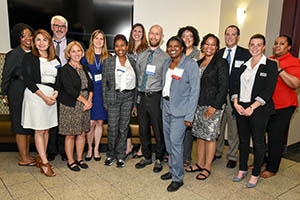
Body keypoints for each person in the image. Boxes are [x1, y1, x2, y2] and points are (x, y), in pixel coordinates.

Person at [231, 34, 277, 188]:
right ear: (249, 45)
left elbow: (268, 91)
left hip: (259, 109)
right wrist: (236, 103)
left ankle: (255, 172)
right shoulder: (243, 65)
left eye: (259, 45)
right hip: (241, 107)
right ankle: (242, 169)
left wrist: (252, 107)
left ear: (264, 47)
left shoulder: (270, 65)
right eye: (252, 44)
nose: (255, 48)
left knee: (258, 142)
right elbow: (235, 85)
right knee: (243, 140)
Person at [186, 34, 229, 181]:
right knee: (199, 135)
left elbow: (224, 87)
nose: (209, 47)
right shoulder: (198, 63)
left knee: (210, 137)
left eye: (213, 45)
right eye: (207, 44)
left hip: (213, 106)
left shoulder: (221, 62)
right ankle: (199, 163)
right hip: (198, 105)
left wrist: (214, 106)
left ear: (217, 48)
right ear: (202, 45)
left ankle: (207, 167)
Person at [160, 36, 200, 192]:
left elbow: (195, 91)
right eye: (170, 46)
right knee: (169, 144)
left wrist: (189, 116)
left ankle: (178, 178)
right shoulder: (166, 64)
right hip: (166, 107)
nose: (172, 48)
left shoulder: (190, 65)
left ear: (182, 48)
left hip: (181, 111)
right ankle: (172, 170)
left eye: (176, 46)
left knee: (176, 144)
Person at [22, 29, 60, 177]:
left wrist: (55, 93)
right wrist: (44, 97)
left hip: (52, 96)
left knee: (46, 129)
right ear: (34, 42)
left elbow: (59, 79)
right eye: (38, 40)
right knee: (39, 129)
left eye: (44, 40)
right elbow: (29, 81)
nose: (41, 43)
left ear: (49, 42)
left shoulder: (55, 58)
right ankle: (44, 162)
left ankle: (41, 157)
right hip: (36, 96)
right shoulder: (29, 58)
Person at [260, 35, 300, 178]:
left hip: (284, 106)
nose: (277, 46)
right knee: (260, 134)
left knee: (275, 137)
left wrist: (280, 69)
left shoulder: (294, 62)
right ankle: (262, 161)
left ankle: (272, 167)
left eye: (282, 44)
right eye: (276, 43)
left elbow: (295, 84)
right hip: (266, 105)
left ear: (288, 47)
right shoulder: (268, 60)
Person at [215, 25, 251, 168]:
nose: (230, 37)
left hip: (235, 96)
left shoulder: (245, 54)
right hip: (219, 96)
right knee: (218, 125)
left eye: (233, 34)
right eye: (227, 34)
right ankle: (217, 152)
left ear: (238, 37)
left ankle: (232, 155)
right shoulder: (219, 53)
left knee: (233, 128)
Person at [134, 25, 169, 173]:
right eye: (152, 33)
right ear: (148, 35)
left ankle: (159, 158)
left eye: (157, 34)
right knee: (143, 129)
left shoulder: (166, 58)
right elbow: (137, 78)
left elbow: (167, 80)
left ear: (162, 37)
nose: (154, 37)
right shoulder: (141, 55)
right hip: (141, 97)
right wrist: (136, 100)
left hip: (155, 97)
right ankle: (147, 156)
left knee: (158, 130)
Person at [0, 23, 35, 166]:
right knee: (19, 125)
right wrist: (4, 94)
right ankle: (23, 158)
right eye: (23, 36)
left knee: (27, 124)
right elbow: (6, 75)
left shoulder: (34, 53)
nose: (27, 38)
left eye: (29, 35)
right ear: (18, 38)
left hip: (30, 92)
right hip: (17, 91)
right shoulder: (13, 54)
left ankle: (26, 154)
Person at [57, 41, 93, 171]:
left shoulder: (85, 68)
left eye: (79, 51)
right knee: (70, 134)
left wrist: (89, 101)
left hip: (85, 105)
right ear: (68, 53)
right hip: (70, 105)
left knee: (82, 133)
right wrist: (85, 101)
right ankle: (71, 161)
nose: (77, 53)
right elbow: (69, 89)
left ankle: (79, 158)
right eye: (73, 51)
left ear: (82, 52)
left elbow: (91, 86)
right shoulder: (64, 70)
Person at [102, 34, 137, 168]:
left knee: (123, 128)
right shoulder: (109, 62)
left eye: (122, 45)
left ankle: (121, 156)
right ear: (114, 48)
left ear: (127, 46)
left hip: (128, 98)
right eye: (117, 46)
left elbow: (137, 83)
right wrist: (105, 102)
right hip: (113, 98)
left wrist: (134, 103)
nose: (120, 48)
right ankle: (110, 154)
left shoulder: (132, 62)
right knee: (112, 128)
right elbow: (104, 84)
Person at [81, 30, 109, 161]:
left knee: (99, 122)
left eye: (101, 39)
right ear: (92, 40)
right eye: (96, 38)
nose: (99, 41)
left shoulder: (108, 57)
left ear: (104, 41)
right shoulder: (85, 57)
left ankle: (97, 148)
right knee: (90, 123)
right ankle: (89, 148)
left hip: (103, 93)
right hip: (90, 93)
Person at [177, 25, 202, 167]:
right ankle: (175, 154)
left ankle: (186, 157)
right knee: (177, 128)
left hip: (191, 97)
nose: (187, 39)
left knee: (188, 129)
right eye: (184, 36)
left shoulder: (199, 55)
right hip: (178, 98)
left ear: (194, 39)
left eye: (190, 36)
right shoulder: (176, 54)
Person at [47, 15, 69, 162]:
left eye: (62, 26)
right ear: (52, 28)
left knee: (64, 119)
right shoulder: (44, 44)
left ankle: (64, 150)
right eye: (56, 26)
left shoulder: (74, 44)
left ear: (66, 29)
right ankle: (51, 150)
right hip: (49, 87)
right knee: (50, 119)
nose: (59, 29)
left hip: (67, 88)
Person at [126, 23, 148, 158]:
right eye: (135, 31)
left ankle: (141, 146)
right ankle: (129, 144)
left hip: (140, 89)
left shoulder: (146, 50)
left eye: (140, 31)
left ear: (143, 34)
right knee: (126, 118)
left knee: (141, 119)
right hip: (128, 89)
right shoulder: (127, 49)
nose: (137, 33)